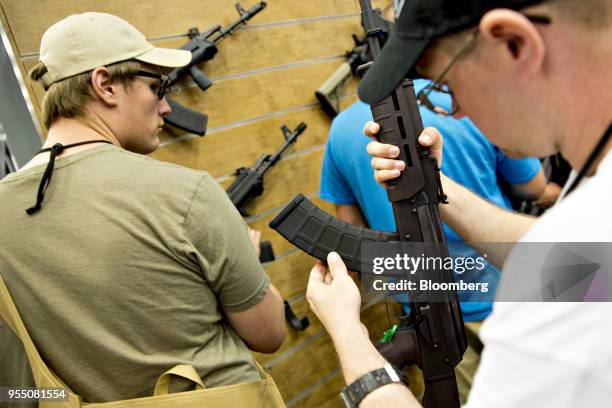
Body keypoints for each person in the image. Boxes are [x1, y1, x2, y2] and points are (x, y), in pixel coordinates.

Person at [307, 0, 612, 407]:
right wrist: (431, 184)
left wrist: (349, 336)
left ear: (514, 44)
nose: (458, 110)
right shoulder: (594, 193)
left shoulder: (546, 321)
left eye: (445, 88)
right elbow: (577, 262)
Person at [0, 12, 285, 402]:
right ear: (105, 85)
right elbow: (269, 334)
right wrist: (247, 262)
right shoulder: (186, 191)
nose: (166, 106)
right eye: (156, 86)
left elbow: (13, 387)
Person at [319, 93, 545, 403]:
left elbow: (356, 247)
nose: (451, 107)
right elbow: (538, 192)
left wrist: (346, 330)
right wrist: (430, 182)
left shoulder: (340, 129)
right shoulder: (469, 102)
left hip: (433, 307)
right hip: (510, 300)